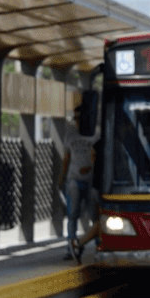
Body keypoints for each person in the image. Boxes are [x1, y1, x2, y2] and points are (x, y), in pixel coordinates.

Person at [61, 105, 101, 260]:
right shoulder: (70, 134)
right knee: (73, 214)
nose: (77, 121)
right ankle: (70, 246)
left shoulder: (96, 134)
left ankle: (99, 245)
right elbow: (66, 158)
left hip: (91, 180)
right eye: (75, 118)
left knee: (95, 215)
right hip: (74, 179)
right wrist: (61, 178)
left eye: (79, 118)